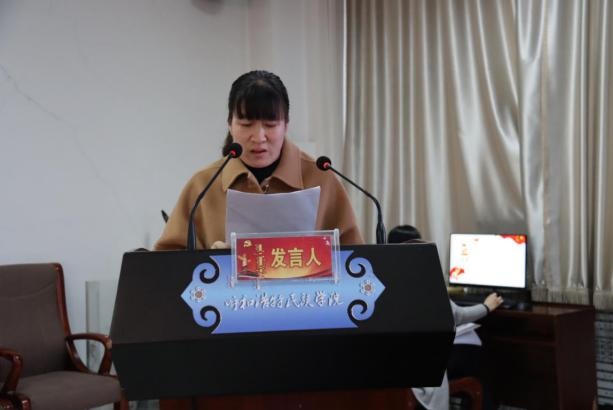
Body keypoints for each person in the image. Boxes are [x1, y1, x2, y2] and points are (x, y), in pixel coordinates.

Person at [155, 70, 363, 250]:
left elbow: (355, 260)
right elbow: (168, 264)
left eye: (270, 125)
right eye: (246, 124)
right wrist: (214, 261)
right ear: (230, 124)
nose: (259, 137)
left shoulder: (321, 179)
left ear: (286, 125)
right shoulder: (203, 186)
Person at [387, 225, 503, 410]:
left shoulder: (381, 278)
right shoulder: (424, 282)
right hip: (422, 369)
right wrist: (487, 306)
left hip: (394, 369)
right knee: (476, 353)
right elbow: (459, 315)